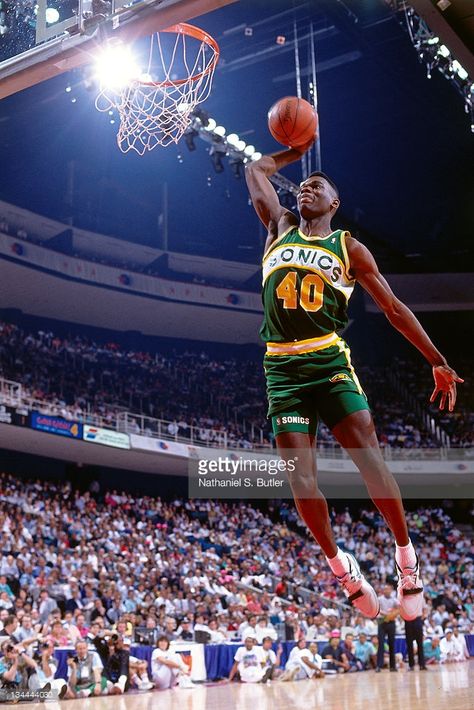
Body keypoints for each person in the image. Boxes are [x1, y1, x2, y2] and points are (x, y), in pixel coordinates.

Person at [245, 144, 463, 620]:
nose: (307, 188)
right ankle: (342, 568)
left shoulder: (347, 247)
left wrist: (437, 359)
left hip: (328, 359)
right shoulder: (278, 227)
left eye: (317, 186)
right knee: (299, 481)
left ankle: (407, 562)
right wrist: (294, 149)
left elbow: (394, 309)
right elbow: (254, 168)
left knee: (370, 460)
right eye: (303, 185)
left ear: (334, 204)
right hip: (282, 368)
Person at [376, 585, 399, 672]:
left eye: (388, 589)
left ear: (391, 590)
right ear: (383, 590)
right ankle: (379, 666)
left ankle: (392, 666)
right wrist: (386, 614)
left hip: (391, 622)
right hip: (381, 621)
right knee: (381, 644)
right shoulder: (379, 599)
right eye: (385, 589)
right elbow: (377, 609)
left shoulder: (394, 600)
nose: (386, 590)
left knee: (391, 644)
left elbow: (398, 610)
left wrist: (392, 614)